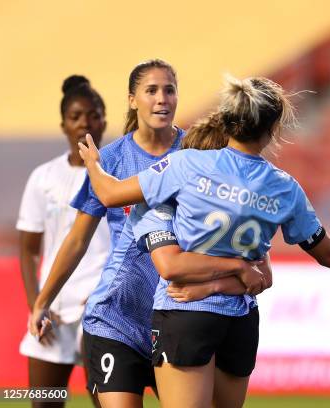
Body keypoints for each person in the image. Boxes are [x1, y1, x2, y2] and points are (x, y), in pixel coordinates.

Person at [77, 74, 330, 408]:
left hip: (186, 315)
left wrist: (94, 165)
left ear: (227, 122)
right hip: (240, 320)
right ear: (273, 129)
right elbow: (325, 255)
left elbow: (111, 195)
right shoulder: (285, 187)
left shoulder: (186, 164)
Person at [29, 60, 268, 408]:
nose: (162, 99)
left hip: (179, 319)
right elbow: (77, 239)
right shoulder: (110, 160)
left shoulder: (197, 153)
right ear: (132, 100)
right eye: (151, 90)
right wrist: (42, 302)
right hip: (117, 320)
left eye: (169, 90)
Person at [18, 75, 108, 408]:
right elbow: (28, 250)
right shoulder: (43, 178)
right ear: (63, 125)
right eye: (76, 116)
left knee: (103, 400)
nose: (85, 122)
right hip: (52, 312)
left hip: (100, 309)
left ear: (104, 120)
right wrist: (36, 305)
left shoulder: (117, 174)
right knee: (45, 402)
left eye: (93, 114)